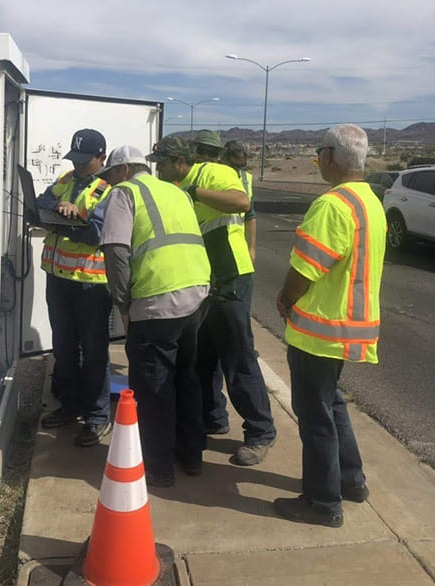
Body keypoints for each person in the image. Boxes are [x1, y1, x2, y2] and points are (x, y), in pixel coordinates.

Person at [274, 124, 387, 527]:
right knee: (333, 405)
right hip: (348, 329)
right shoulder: (370, 200)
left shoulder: (332, 205)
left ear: (328, 157)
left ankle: (323, 502)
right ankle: (351, 481)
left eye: (317, 154)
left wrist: (285, 299)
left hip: (319, 332)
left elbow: (305, 268)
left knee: (315, 415)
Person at [148, 136, 277, 465]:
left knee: (238, 357)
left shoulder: (210, 173)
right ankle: (213, 418)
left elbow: (241, 202)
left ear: (180, 162)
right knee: (202, 358)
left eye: (162, 162)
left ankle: (261, 431)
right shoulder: (169, 188)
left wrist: (192, 192)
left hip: (229, 276)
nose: (157, 168)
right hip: (204, 282)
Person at [99, 145, 211, 487]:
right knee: (186, 377)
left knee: (153, 386)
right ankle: (191, 455)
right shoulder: (175, 192)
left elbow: (116, 251)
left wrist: (123, 304)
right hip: (198, 293)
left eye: (109, 175)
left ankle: (158, 467)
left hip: (157, 301)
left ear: (122, 171)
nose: (107, 182)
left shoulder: (124, 193)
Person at [37, 128, 113, 447]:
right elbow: (41, 201)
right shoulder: (67, 180)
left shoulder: (109, 190)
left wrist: (71, 214)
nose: (79, 166)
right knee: (64, 347)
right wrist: (58, 206)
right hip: (59, 278)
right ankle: (69, 405)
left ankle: (96, 417)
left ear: (102, 158)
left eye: (86, 161)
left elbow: (96, 233)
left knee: (94, 352)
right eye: (76, 159)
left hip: (91, 284)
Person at [222, 140, 257, 263]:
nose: (237, 170)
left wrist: (251, 248)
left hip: (237, 244)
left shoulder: (246, 179)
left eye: (241, 166)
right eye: (234, 166)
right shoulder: (213, 176)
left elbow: (250, 216)